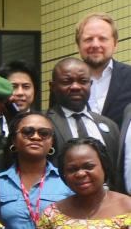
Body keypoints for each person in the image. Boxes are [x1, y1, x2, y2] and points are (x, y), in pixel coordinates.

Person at [47, 57, 123, 189]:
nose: (75, 87)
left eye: (83, 81)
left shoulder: (109, 125)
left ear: (90, 84)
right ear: (52, 86)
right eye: (67, 81)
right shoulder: (43, 124)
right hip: (63, 200)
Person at [76, 12, 131, 126]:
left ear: (115, 44)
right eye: (88, 39)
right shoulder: (64, 84)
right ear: (78, 45)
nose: (95, 45)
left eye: (102, 38)